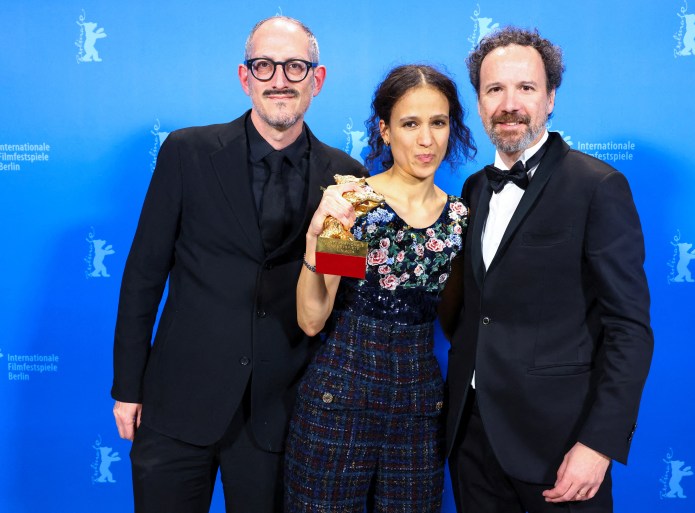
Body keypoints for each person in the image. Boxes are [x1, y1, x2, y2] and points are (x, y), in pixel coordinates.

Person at [111, 16, 365, 513]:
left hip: (283, 411)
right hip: (177, 403)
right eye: (264, 65)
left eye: (295, 66)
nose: (279, 79)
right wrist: (127, 387)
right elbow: (143, 275)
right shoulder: (187, 152)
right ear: (245, 76)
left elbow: (342, 298)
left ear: (318, 78)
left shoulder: (348, 177)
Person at [441, 27, 654, 513]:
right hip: (472, 440)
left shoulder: (597, 186)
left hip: (559, 447)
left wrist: (598, 445)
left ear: (551, 98)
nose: (509, 103)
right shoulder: (473, 190)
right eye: (495, 89)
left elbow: (629, 329)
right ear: (479, 102)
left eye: (526, 88)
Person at [284, 64, 476, 513]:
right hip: (339, 399)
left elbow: (458, 321)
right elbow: (312, 319)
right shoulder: (354, 204)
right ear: (385, 131)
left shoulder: (460, 219)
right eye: (410, 124)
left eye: (438, 123)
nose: (426, 140)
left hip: (418, 408)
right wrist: (317, 241)